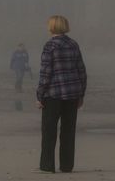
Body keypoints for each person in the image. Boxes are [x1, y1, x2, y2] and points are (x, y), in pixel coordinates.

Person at [36, 15, 87, 174]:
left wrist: (40, 95)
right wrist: (81, 95)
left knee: (49, 131)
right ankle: (66, 166)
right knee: (68, 131)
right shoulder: (73, 44)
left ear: (51, 27)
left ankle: (47, 165)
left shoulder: (50, 46)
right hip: (72, 94)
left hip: (53, 94)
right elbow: (81, 71)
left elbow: (46, 73)